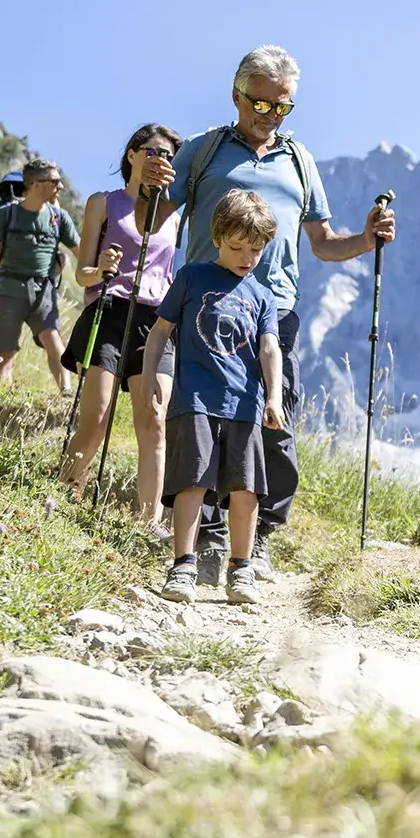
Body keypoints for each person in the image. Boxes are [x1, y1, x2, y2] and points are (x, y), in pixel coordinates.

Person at [156, 46, 396, 582]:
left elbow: (324, 242)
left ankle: (258, 536)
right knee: (203, 419)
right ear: (236, 95)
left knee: (273, 417)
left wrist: (367, 238)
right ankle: (206, 536)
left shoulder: (298, 161)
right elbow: (155, 218)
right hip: (207, 306)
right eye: (259, 104)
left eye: (281, 107)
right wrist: (147, 182)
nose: (268, 116)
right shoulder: (205, 150)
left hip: (273, 309)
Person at [141, 189, 286, 604]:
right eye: (237, 246)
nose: (246, 257)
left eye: (256, 249)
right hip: (195, 401)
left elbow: (269, 348)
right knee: (193, 482)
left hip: (245, 405)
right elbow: (159, 333)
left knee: (246, 489)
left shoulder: (262, 295)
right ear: (218, 237)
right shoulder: (192, 277)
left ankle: (240, 571)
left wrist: (272, 398)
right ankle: (183, 566)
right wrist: (152, 374)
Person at [56, 125, 185, 530]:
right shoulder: (103, 203)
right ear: (131, 154)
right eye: (153, 152)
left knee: (154, 420)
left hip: (156, 322)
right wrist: (101, 269)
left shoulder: (175, 214)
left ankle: (149, 524)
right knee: (96, 417)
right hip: (109, 311)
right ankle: (66, 493)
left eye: (168, 157)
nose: (160, 161)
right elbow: (81, 274)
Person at [0, 157, 79, 395]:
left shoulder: (59, 218)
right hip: (9, 288)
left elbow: (82, 253)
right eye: (55, 181)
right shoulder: (7, 214)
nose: (60, 186)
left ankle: (66, 394)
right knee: (6, 350)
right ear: (36, 184)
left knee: (54, 342)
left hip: (43, 291)